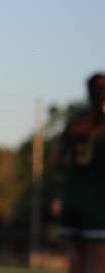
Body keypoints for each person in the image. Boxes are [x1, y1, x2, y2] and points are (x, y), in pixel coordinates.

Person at [49, 73, 105, 273]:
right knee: (98, 261)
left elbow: (54, 162)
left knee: (77, 258)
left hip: (72, 198)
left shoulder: (76, 122)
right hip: (99, 202)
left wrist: (75, 170)